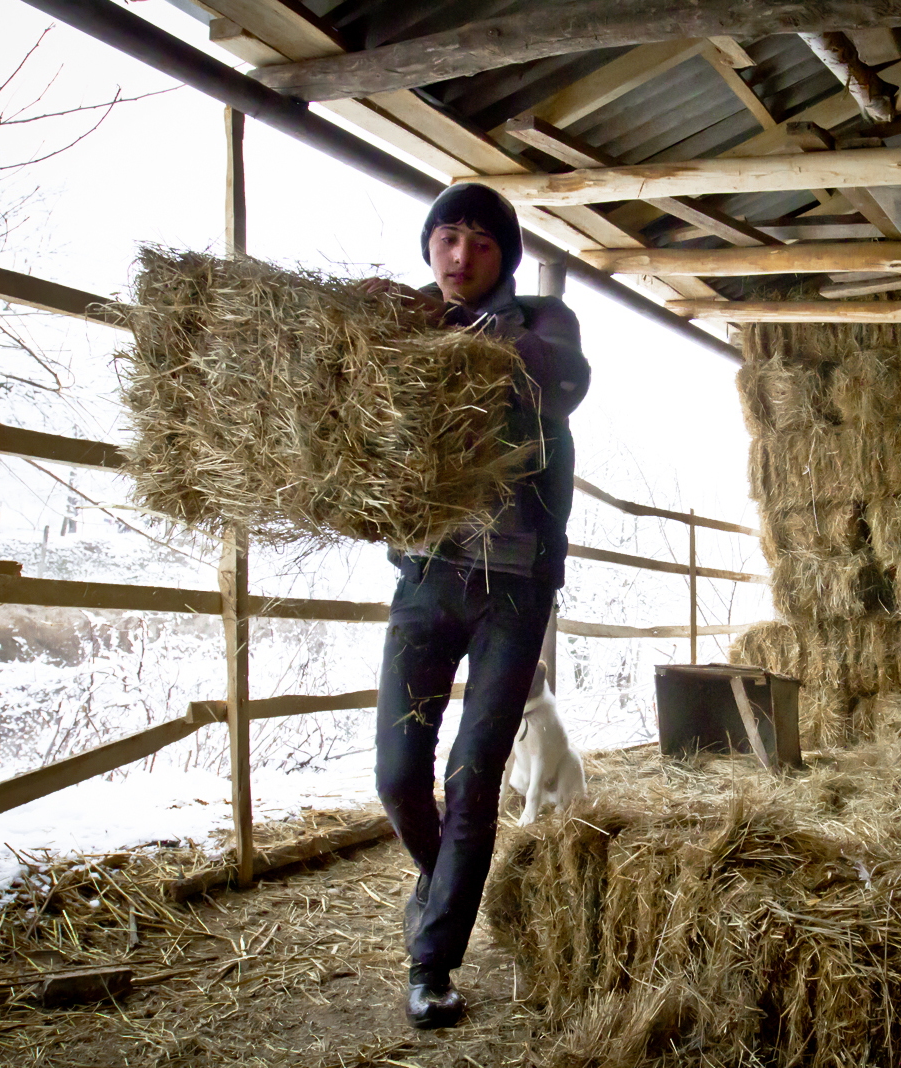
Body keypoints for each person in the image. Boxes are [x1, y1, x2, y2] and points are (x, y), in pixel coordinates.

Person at [369, 183, 589, 1029]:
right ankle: (440, 884)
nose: (460, 257)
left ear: (505, 260)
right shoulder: (403, 328)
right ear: (431, 245)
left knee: (474, 774)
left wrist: (466, 334)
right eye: (447, 238)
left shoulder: (542, 326)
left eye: (481, 244)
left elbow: (562, 377)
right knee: (397, 774)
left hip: (514, 585)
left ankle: (432, 964)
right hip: (426, 577)